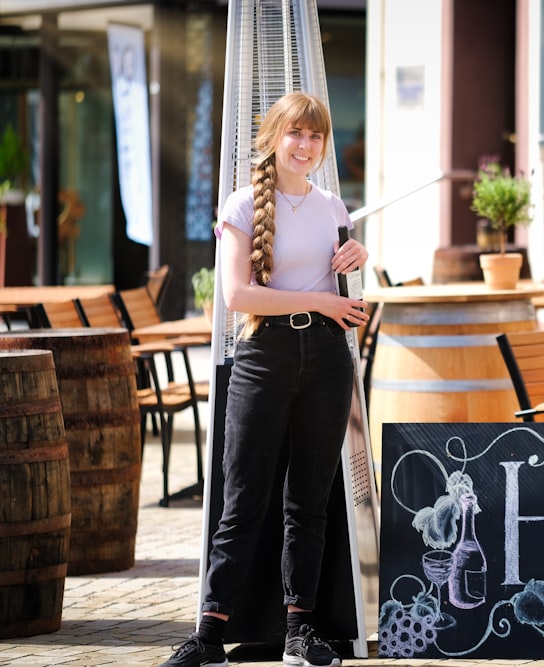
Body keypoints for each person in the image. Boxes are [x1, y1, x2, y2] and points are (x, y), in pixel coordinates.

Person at [159, 91, 370, 667]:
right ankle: (209, 635)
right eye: (296, 134)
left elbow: (348, 297)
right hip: (263, 358)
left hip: (327, 360)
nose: (306, 146)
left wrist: (357, 259)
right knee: (242, 499)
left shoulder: (332, 207)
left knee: (309, 503)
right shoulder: (244, 203)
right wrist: (321, 303)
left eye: (316, 136)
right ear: (274, 138)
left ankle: (299, 632)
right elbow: (238, 295)